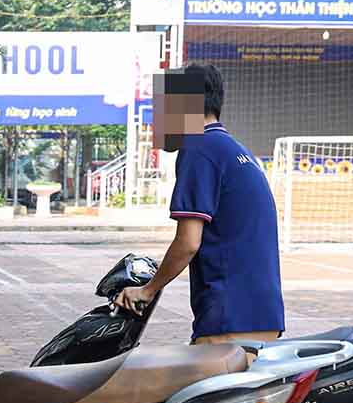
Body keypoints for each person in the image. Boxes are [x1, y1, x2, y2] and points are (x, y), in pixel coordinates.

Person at [115, 64, 284, 346]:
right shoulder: (235, 150)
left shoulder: (198, 148)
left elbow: (188, 243)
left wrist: (147, 290)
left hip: (229, 316)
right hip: (261, 314)